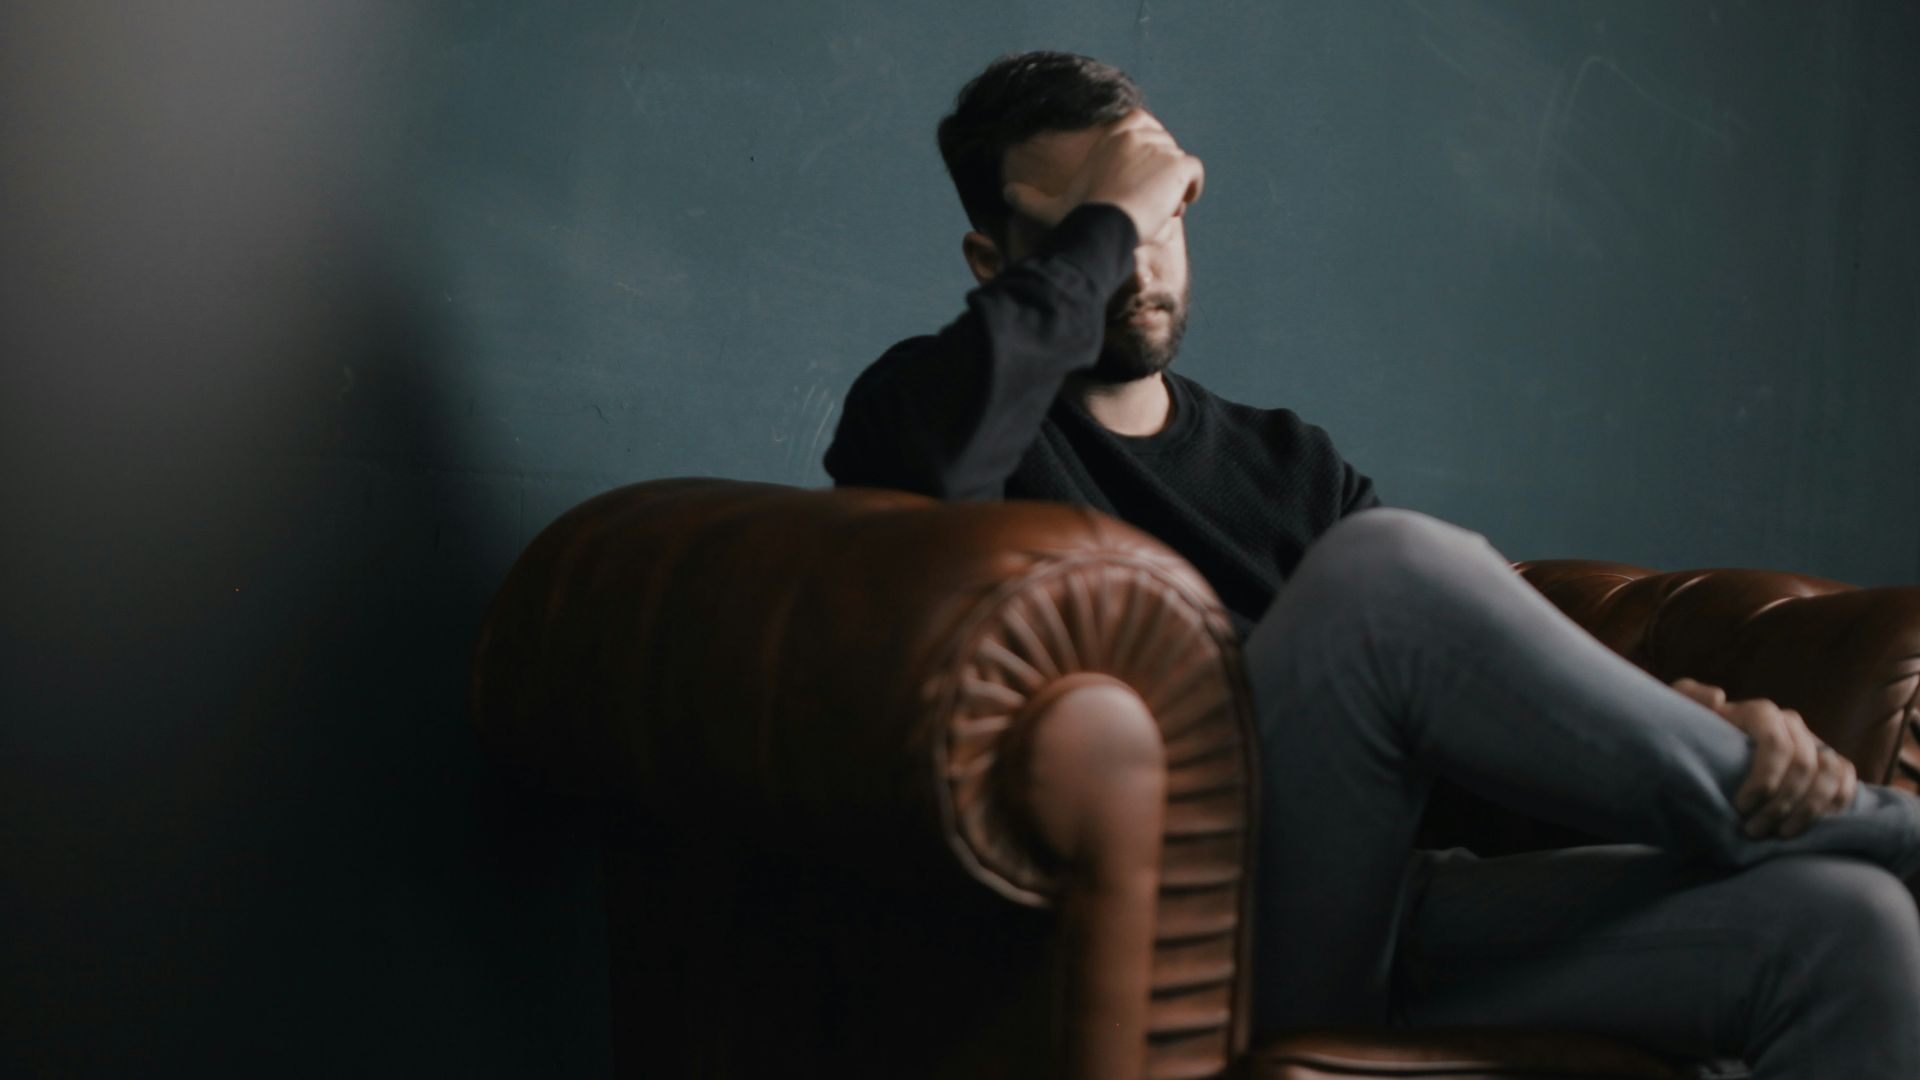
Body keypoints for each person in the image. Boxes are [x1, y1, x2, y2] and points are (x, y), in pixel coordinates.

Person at [822, 51, 1920, 1077]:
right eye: (1102, 228)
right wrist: (1118, 208)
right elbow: (933, 468)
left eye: (1164, 214)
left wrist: (1676, 726)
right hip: (1193, 940)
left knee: (1848, 927)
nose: (1141, 259)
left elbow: (1450, 738)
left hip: (1391, 918)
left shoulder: (1288, 461)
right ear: (998, 262)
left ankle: (1815, 822)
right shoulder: (931, 406)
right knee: (1384, 569)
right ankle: (1885, 828)